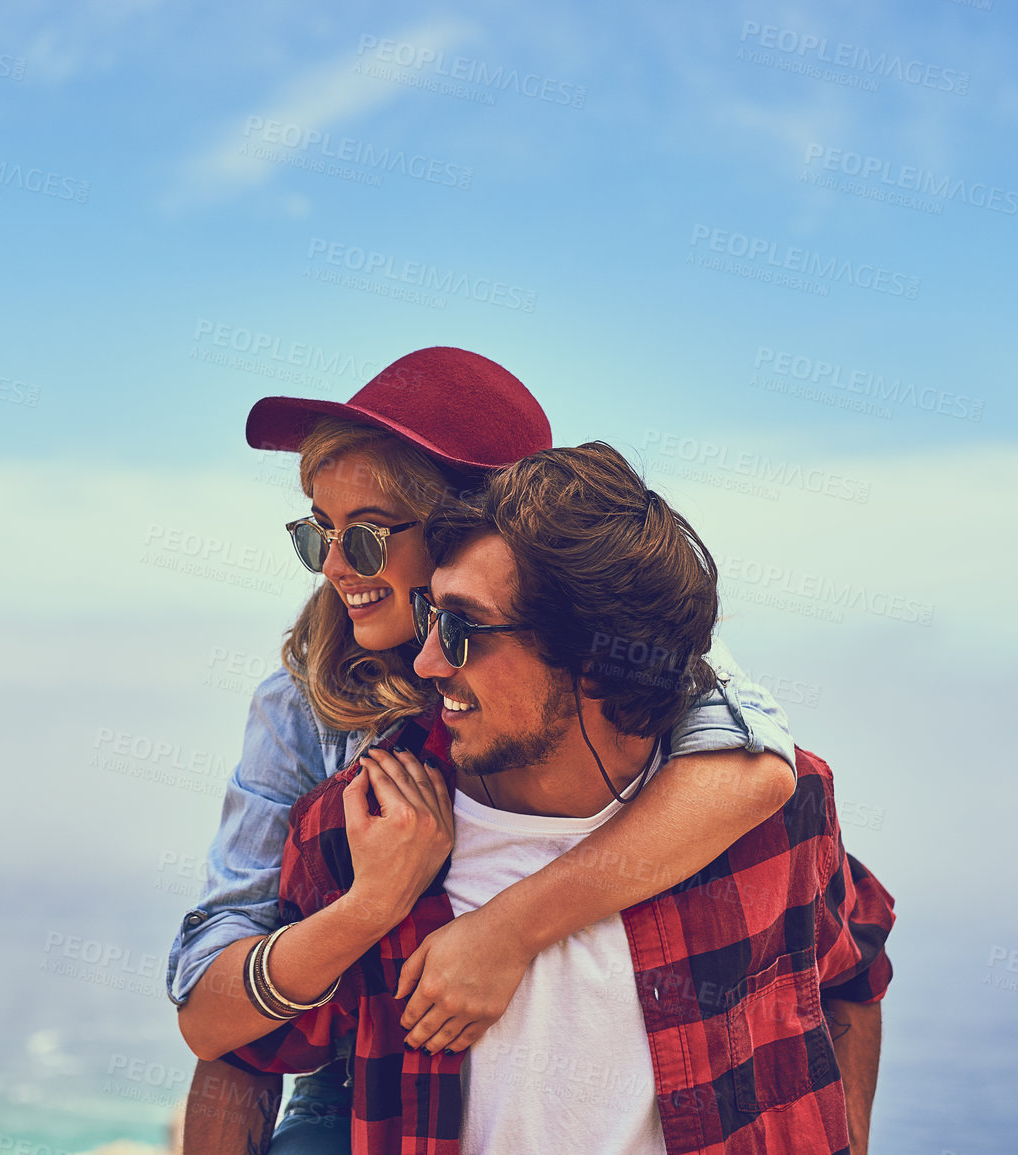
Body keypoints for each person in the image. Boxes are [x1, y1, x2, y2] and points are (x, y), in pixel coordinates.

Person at [169, 349, 803, 1152]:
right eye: (317, 534)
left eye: (362, 538)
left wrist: (504, 933)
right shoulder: (304, 704)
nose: (333, 568)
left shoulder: (613, 649)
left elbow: (762, 770)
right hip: (353, 1063)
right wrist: (371, 905)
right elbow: (220, 1019)